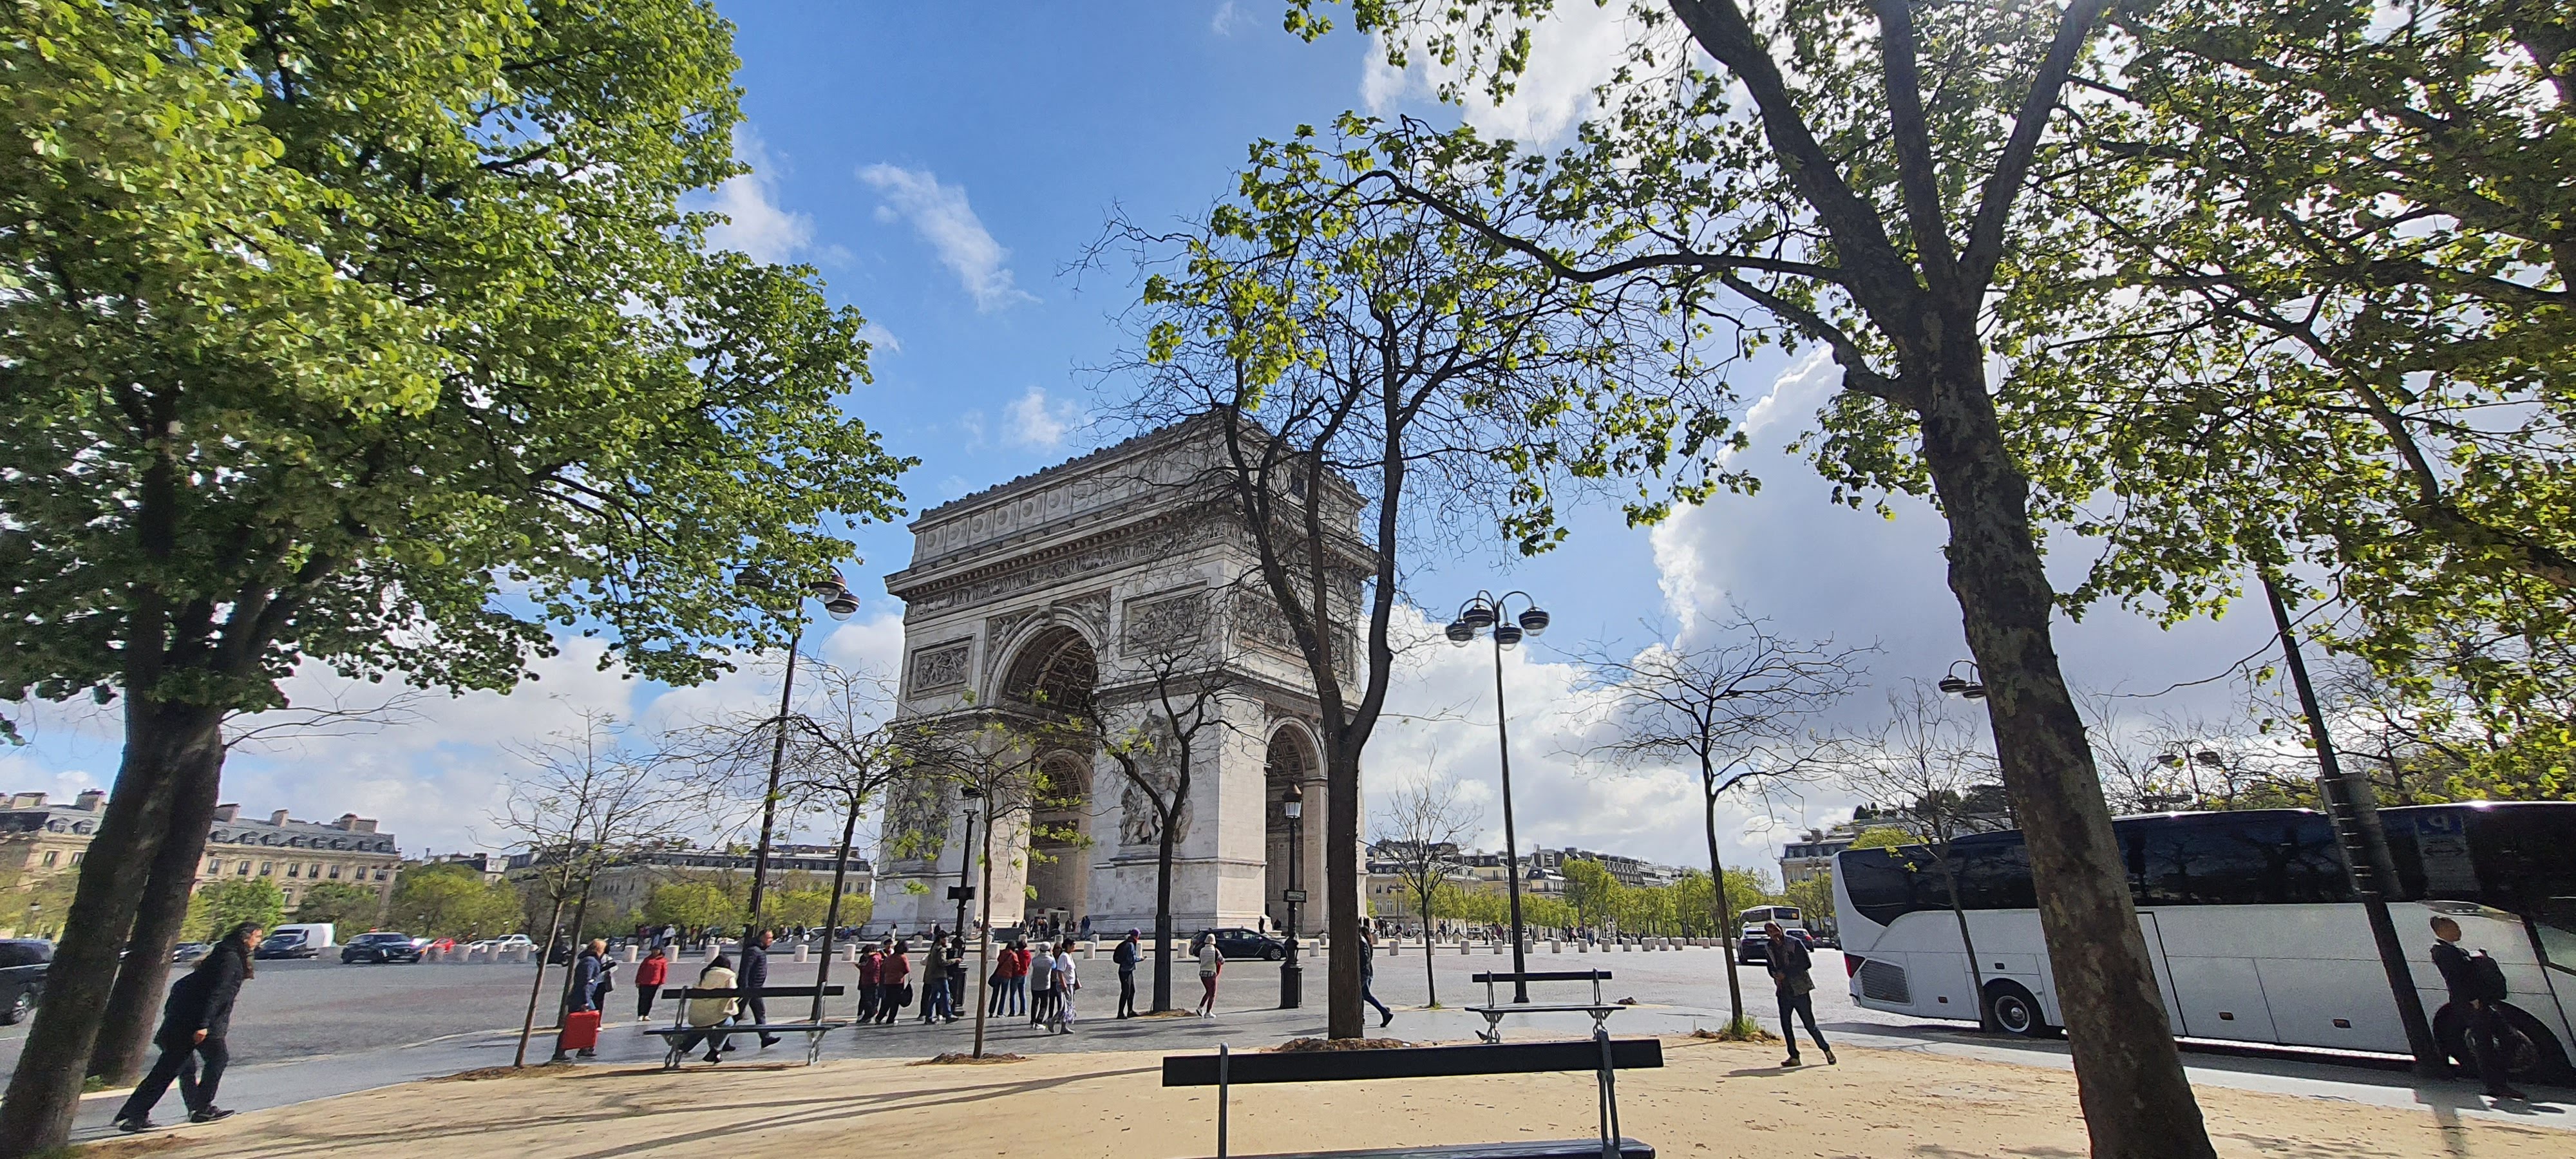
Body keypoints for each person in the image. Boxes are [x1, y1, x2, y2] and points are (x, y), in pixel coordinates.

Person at [117, 921, 260, 1131]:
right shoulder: (231, 960)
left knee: (169, 1069)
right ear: (245, 937)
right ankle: (200, 1108)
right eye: (257, 937)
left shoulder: (221, 957)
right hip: (198, 1024)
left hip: (186, 1023)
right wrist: (204, 1025)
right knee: (215, 1059)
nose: (259, 942)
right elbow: (218, 995)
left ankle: (135, 1114)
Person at [2431, 915, 2526, 1100]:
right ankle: (2495, 1083)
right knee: (2485, 1045)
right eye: (2455, 928)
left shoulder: (2455, 951)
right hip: (2471, 1004)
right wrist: (2472, 998)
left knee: (2507, 1037)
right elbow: (2456, 980)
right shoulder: (2444, 952)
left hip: (2479, 1002)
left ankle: (2498, 1077)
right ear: (2443, 930)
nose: (2459, 931)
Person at [1765, 921, 1834, 1066]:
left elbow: (1806, 964)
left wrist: (1787, 973)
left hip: (1800, 990)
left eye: (1775, 929)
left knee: (1809, 1024)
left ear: (1780, 928)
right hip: (1783, 991)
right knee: (1786, 1024)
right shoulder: (1769, 947)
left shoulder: (1794, 943)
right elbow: (1770, 966)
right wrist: (1775, 975)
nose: (1774, 933)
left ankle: (1827, 1051)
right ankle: (1794, 1056)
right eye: (1770, 931)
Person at [675, 955, 739, 1064]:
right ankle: (715, 1050)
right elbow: (733, 993)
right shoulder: (729, 976)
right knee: (729, 1023)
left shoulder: (704, 973)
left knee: (704, 1026)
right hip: (715, 1014)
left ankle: (685, 1046)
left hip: (698, 1013)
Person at [739, 929, 781, 1046]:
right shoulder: (753, 951)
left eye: (772, 938)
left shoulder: (758, 951)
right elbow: (745, 970)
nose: (771, 941)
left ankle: (765, 1038)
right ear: (761, 937)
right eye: (769, 938)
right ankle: (722, 1041)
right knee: (737, 1014)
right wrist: (745, 987)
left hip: (756, 989)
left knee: (760, 1012)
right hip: (751, 989)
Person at [1359, 927, 1393, 1027]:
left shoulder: (1362, 942)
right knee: (1363, 995)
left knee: (1365, 995)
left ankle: (1384, 1012)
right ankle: (1362, 1017)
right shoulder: (1366, 941)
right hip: (1368, 972)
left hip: (1364, 973)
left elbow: (1364, 959)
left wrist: (1362, 974)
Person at [1048, 938, 1079, 1033]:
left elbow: (1073, 970)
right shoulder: (1064, 957)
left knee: (1069, 1006)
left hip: (1071, 983)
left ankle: (1063, 1027)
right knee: (1064, 1006)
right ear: (1068, 946)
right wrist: (1064, 985)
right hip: (1065, 984)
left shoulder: (1069, 956)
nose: (1074, 947)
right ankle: (1053, 1020)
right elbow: (1060, 971)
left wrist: (1077, 982)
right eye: (1073, 945)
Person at [918, 934, 951, 1024]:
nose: (947, 941)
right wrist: (954, 960)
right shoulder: (941, 949)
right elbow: (942, 962)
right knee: (946, 994)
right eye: (945, 939)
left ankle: (928, 1017)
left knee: (933, 997)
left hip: (932, 976)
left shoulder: (934, 949)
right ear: (941, 939)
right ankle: (948, 1015)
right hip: (940, 976)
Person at [876, 940, 911, 1024]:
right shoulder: (903, 957)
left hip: (888, 982)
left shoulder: (889, 957)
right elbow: (907, 970)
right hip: (898, 982)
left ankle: (879, 1017)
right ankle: (891, 1019)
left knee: (887, 1001)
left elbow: (883, 969)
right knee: (895, 1002)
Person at [635, 946, 670, 1024]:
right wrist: (638, 980)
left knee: (650, 999)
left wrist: (662, 981)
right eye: (654, 950)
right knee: (642, 998)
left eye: (657, 950)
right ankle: (640, 1014)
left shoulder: (663, 960)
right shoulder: (647, 959)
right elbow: (641, 970)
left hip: (655, 982)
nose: (655, 952)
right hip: (644, 982)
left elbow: (664, 972)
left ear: (660, 951)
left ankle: (646, 1014)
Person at [1028, 938, 1057, 1026]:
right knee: (1044, 1004)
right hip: (1046, 984)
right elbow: (1054, 967)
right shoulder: (1051, 960)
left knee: (1035, 1002)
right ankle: (1039, 1020)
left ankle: (1033, 1020)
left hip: (1035, 984)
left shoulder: (1035, 960)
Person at [1194, 932, 1224, 1017]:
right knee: (1212, 993)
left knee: (1208, 991)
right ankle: (1208, 1012)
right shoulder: (1215, 951)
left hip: (1202, 973)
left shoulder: (1202, 950)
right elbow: (1222, 961)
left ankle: (1200, 1007)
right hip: (1211, 973)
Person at [1114, 929, 1142, 1018]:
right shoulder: (1130, 945)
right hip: (1125, 971)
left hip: (1127, 970)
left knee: (1132, 991)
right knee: (1126, 991)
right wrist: (1140, 959)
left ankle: (1130, 1011)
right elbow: (1131, 959)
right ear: (1136, 936)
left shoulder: (1128, 943)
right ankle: (1120, 1013)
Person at [855, 943, 884, 1024]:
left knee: (868, 999)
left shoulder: (873, 959)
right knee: (870, 999)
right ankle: (869, 1014)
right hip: (870, 981)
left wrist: (861, 967)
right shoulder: (875, 958)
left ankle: (869, 1015)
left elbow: (869, 970)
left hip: (870, 981)